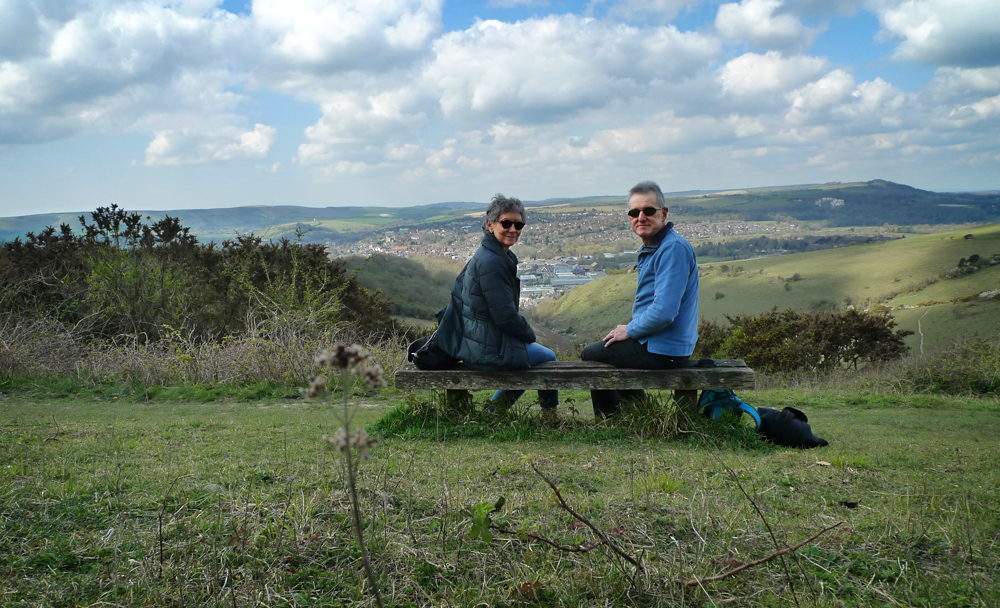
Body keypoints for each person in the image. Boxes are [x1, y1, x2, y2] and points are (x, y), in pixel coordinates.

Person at [581, 180, 699, 417]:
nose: (641, 217)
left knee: (591, 355)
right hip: (661, 342)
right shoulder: (658, 245)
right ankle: (639, 413)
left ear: (663, 213)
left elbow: (664, 311)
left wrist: (631, 330)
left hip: (665, 348)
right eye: (635, 212)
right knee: (607, 350)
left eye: (649, 211)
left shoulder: (671, 249)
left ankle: (611, 420)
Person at [435, 194, 559, 412]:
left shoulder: (492, 255)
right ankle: (546, 414)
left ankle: (496, 411)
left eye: (518, 224)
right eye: (506, 223)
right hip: (483, 349)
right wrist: (529, 335)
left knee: (530, 358)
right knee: (547, 357)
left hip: (477, 341)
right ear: (490, 225)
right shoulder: (493, 262)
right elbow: (505, 316)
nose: (513, 229)